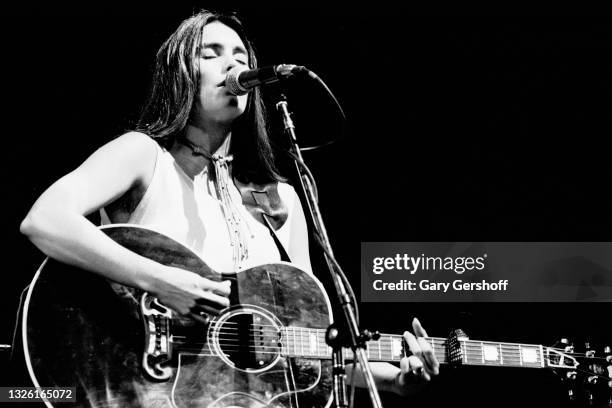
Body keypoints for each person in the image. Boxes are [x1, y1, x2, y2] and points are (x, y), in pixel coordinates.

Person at [20, 9, 438, 401]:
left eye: (240, 55)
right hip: (138, 388)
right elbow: (45, 220)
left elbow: (303, 349)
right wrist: (161, 281)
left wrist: (396, 379)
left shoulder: (280, 199)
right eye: (211, 54)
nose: (233, 66)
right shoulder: (145, 156)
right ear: (180, 74)